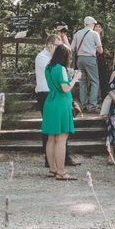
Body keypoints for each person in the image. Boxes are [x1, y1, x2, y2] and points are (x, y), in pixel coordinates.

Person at [35, 35, 79, 168]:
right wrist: (73, 78)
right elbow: (64, 86)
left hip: (52, 96)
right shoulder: (43, 59)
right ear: (49, 45)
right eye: (57, 45)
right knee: (56, 134)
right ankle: (56, 166)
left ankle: (57, 163)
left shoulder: (53, 66)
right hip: (50, 95)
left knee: (54, 135)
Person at [71, 16, 103, 112]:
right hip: (90, 59)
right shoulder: (94, 34)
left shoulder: (77, 33)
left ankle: (83, 105)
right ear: (91, 24)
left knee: (82, 82)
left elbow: (72, 48)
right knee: (95, 81)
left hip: (80, 59)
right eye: (94, 24)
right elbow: (100, 50)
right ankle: (92, 106)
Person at [94, 22, 110, 98]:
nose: (97, 28)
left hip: (101, 61)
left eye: (99, 27)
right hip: (92, 60)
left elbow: (102, 50)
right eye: (96, 26)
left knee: (103, 80)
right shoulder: (91, 37)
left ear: (101, 29)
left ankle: (104, 99)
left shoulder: (104, 38)